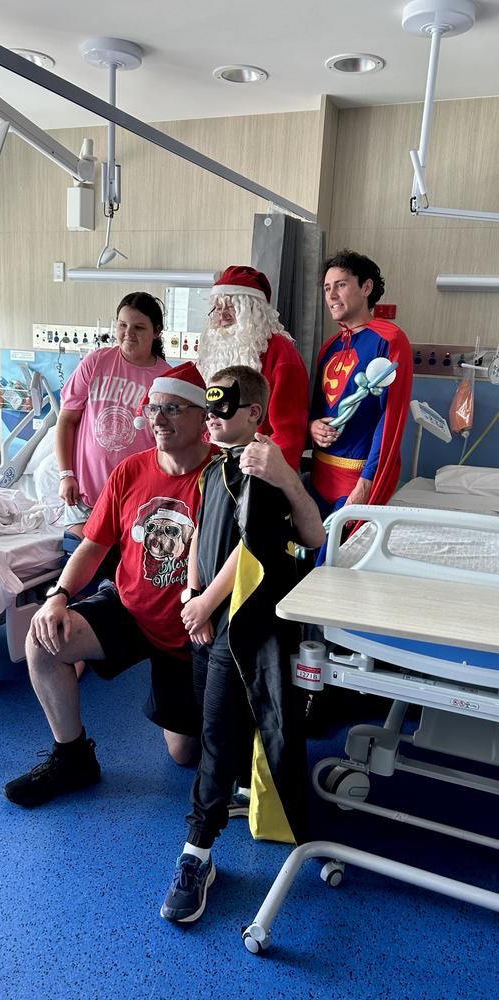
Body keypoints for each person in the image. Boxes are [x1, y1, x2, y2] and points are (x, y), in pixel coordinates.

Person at [3, 363, 217, 809]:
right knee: (43, 640)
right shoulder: (130, 471)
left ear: (202, 418)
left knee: (183, 754)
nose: (158, 418)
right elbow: (93, 547)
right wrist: (57, 596)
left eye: (173, 409)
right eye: (154, 408)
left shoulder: (221, 478)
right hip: (130, 607)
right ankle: (73, 757)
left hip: (189, 629)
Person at [160, 365, 325, 924]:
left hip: (241, 623)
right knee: (215, 727)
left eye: (223, 408)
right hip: (208, 617)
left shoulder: (258, 469)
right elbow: (201, 537)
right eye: (207, 409)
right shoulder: (216, 469)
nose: (211, 418)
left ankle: (197, 852)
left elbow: (256, 546)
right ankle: (233, 794)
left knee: (214, 733)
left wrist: (205, 606)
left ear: (255, 413)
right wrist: (191, 592)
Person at [308, 250, 413, 556]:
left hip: (355, 479)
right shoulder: (330, 346)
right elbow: (315, 408)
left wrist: (367, 481)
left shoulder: (390, 340)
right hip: (318, 476)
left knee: (330, 565)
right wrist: (312, 425)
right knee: (304, 559)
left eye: (340, 285)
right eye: (327, 288)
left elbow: (389, 419)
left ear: (366, 288)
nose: (332, 296)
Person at [55, 291, 171, 538]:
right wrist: (66, 475)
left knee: (119, 573)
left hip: (135, 500)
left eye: (139, 327)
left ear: (157, 331)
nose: (128, 333)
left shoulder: (167, 380)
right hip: (84, 497)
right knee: (80, 567)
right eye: (122, 325)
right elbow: (66, 421)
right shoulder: (96, 362)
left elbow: (169, 444)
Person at [196, 265, 309, 471]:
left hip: (256, 469)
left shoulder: (280, 352)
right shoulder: (211, 351)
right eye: (217, 307)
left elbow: (288, 432)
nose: (222, 314)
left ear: (253, 310)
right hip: (214, 465)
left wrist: (271, 478)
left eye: (231, 306)